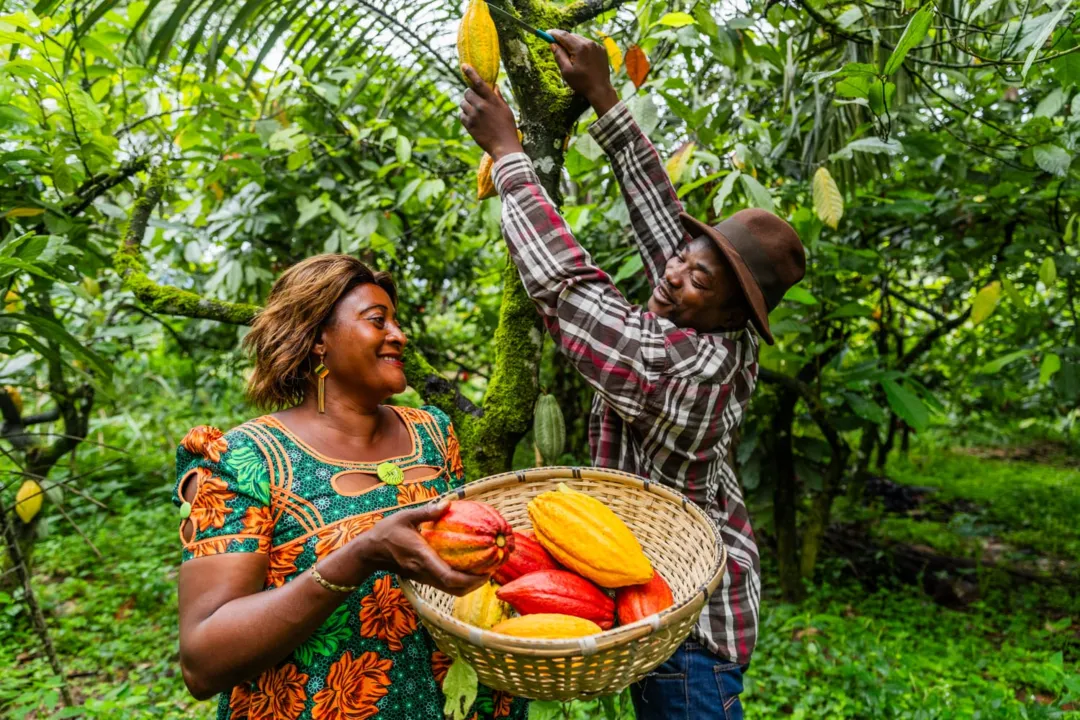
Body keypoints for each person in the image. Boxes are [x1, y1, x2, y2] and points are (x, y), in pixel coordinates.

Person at [458, 31, 806, 720]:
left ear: (735, 309)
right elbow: (662, 224)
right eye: (685, 257)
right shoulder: (701, 308)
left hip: (693, 625)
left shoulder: (690, 366)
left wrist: (508, 158)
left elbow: (568, 289)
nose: (674, 272)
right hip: (655, 581)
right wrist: (602, 95)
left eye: (698, 276)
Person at [173, 254, 525, 720]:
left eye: (396, 322)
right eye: (378, 321)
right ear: (319, 338)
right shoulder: (243, 458)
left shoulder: (434, 433)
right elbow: (203, 661)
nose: (399, 335)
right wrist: (359, 556)